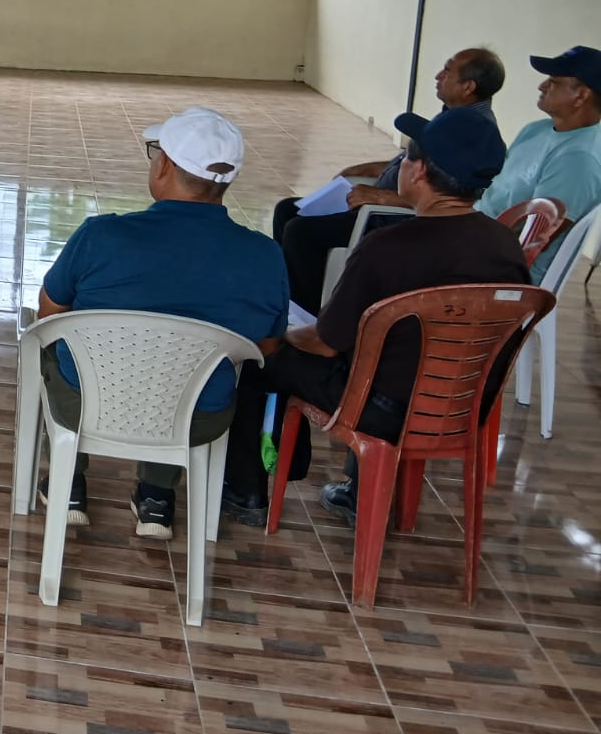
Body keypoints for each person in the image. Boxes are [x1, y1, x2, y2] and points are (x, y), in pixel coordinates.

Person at [221, 106, 527, 527]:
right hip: (463, 406)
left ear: (418, 171)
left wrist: (283, 334)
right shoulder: (507, 247)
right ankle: (357, 489)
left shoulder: (388, 246)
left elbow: (325, 343)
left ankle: (246, 493)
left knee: (261, 360)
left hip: (379, 408)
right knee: (391, 357)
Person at [35, 107, 288, 540]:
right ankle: (156, 496)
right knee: (183, 378)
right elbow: (265, 347)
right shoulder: (265, 256)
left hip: (88, 404)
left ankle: (69, 480)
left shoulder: (100, 236)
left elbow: (49, 313)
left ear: (165, 165)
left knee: (49, 345)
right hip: (197, 418)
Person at [275, 47, 502, 310]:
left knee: (301, 232)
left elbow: (457, 196)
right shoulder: (454, 116)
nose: (438, 76)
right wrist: (373, 168)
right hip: (379, 203)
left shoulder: (473, 131)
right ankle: (285, 298)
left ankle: (307, 312)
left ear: (468, 87)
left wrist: (383, 197)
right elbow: (427, 166)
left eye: (447, 70)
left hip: (389, 216)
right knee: (288, 209)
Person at [476, 46, 601, 280]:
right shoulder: (535, 130)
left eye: (553, 82)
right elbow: (494, 189)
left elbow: (530, 242)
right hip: (477, 235)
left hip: (500, 273)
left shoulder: (578, 159)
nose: (541, 86)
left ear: (581, 96)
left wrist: (461, 246)